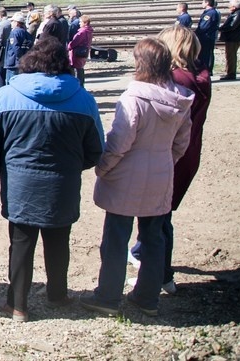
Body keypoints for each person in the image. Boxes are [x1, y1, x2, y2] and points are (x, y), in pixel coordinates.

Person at [0, 39, 104, 321]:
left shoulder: (4, 97)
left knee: (21, 241)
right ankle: (57, 294)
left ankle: (18, 304)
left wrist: (5, 164)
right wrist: (71, 166)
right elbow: (95, 149)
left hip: (19, 183)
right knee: (59, 238)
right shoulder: (83, 100)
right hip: (63, 182)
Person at [81, 38, 192, 318]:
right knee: (154, 238)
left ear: (140, 63)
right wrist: (163, 161)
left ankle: (107, 296)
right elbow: (181, 143)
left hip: (125, 176)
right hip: (161, 173)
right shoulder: (180, 99)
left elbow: (120, 143)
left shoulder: (133, 98)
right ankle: (147, 297)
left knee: (116, 239)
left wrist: (102, 168)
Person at [129, 25, 212, 295]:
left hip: (168, 155)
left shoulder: (177, 81)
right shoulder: (198, 76)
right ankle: (148, 259)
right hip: (186, 153)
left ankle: (160, 275)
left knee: (157, 217)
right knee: (161, 214)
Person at [218, 0, 240, 80]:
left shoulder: (238, 14)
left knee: (231, 56)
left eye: (230, 5)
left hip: (233, 38)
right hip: (234, 37)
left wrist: (221, 29)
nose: (229, 7)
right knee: (230, 56)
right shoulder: (238, 13)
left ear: (234, 7)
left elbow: (232, 26)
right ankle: (229, 72)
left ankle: (231, 74)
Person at [3, 13, 33, 82]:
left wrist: (19, 58)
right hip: (23, 61)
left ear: (17, 23)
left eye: (12, 21)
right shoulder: (26, 33)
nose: (11, 23)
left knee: (11, 82)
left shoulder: (15, 33)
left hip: (13, 62)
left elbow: (16, 47)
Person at [195, 0, 220, 73]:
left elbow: (204, 26)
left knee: (206, 54)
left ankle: (207, 70)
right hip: (205, 36)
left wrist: (196, 33)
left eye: (203, 2)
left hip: (207, 37)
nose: (202, 4)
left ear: (207, 3)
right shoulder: (208, 12)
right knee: (204, 53)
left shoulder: (211, 13)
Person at [68, 15, 94, 88]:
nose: (79, 23)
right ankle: (81, 84)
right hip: (83, 52)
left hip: (77, 53)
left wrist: (69, 46)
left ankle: (77, 85)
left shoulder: (82, 32)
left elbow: (75, 42)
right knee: (80, 68)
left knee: (76, 68)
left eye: (80, 22)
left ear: (85, 23)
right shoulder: (89, 31)